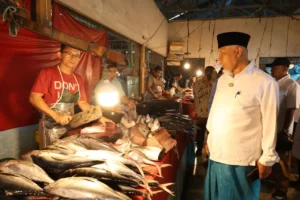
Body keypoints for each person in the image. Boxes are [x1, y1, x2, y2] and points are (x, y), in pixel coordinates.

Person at [204, 32, 279, 200]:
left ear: (238, 52)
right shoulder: (222, 80)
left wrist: (267, 157)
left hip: (241, 161)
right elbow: (215, 111)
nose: (219, 58)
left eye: (223, 53)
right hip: (216, 156)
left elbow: (270, 123)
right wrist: (209, 139)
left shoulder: (264, 82)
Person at [30, 44, 111, 148]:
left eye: (76, 55)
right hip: (50, 126)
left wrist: (99, 117)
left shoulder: (78, 78)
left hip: (70, 125)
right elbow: (34, 98)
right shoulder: (47, 73)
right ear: (59, 55)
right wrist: (56, 116)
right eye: (69, 54)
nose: (73, 58)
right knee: (51, 157)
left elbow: (82, 102)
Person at [269, 57, 300, 199]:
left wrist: (285, 130)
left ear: (284, 69)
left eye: (275, 68)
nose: (272, 70)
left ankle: (282, 188)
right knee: (273, 157)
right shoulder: (273, 84)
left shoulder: (291, 85)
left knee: (282, 160)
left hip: (281, 130)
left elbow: (291, 109)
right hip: (271, 128)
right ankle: (274, 181)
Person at [193, 66, 216, 156]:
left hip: (211, 112)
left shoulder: (213, 83)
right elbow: (197, 95)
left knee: (210, 134)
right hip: (201, 113)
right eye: (213, 73)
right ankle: (199, 150)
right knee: (200, 133)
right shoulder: (198, 83)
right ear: (208, 73)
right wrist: (208, 87)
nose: (214, 75)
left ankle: (209, 152)